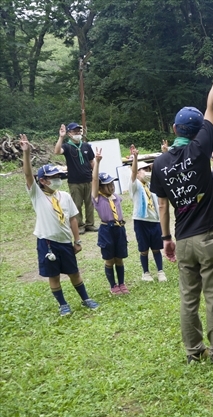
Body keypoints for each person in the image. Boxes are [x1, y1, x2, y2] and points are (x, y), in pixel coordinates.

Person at [150, 38, 213, 364]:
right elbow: (212, 105)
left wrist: (166, 238)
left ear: (174, 128)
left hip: (182, 241)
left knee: (188, 299)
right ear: (200, 130)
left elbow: (162, 204)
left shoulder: (159, 163)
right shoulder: (200, 149)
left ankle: (193, 353)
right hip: (210, 238)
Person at [22, 135, 98, 316]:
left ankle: (85, 298)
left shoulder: (64, 195)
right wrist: (26, 154)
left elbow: (73, 219)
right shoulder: (37, 196)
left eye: (58, 176)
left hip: (65, 242)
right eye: (52, 177)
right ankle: (63, 304)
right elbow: (27, 175)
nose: (57, 179)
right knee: (54, 275)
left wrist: (77, 240)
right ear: (43, 181)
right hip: (47, 242)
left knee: (74, 272)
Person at [92, 149, 129, 295]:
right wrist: (97, 162)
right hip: (106, 230)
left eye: (112, 183)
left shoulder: (116, 197)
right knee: (109, 259)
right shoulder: (97, 198)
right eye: (108, 184)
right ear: (100, 187)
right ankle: (113, 285)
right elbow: (94, 180)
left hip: (119, 229)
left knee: (119, 258)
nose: (112, 186)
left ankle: (122, 283)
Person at [129, 145, 166, 282]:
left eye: (147, 169)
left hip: (154, 220)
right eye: (142, 170)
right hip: (141, 220)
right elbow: (132, 174)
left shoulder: (151, 185)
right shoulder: (135, 186)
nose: (145, 172)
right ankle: (146, 273)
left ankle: (160, 271)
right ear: (137, 172)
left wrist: (164, 154)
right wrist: (135, 159)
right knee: (143, 249)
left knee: (157, 248)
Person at [53, 122, 98, 235]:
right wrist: (61, 137)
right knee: (77, 204)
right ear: (69, 133)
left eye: (79, 131)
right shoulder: (67, 147)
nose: (77, 133)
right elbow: (57, 151)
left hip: (88, 179)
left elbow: (92, 161)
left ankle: (90, 224)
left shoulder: (86, 146)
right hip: (74, 181)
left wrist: (96, 175)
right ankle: (80, 225)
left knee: (90, 203)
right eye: (74, 131)